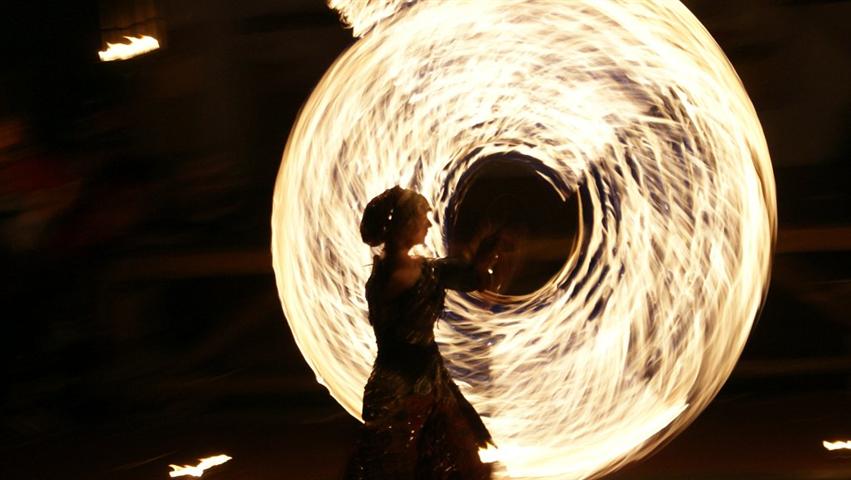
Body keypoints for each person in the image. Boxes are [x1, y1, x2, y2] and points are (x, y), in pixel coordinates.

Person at [344, 186, 499, 480]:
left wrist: (478, 254)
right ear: (405, 225)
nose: (428, 224)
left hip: (416, 385)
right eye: (422, 217)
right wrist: (482, 259)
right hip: (406, 393)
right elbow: (465, 277)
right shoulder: (412, 274)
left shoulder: (388, 272)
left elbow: (462, 273)